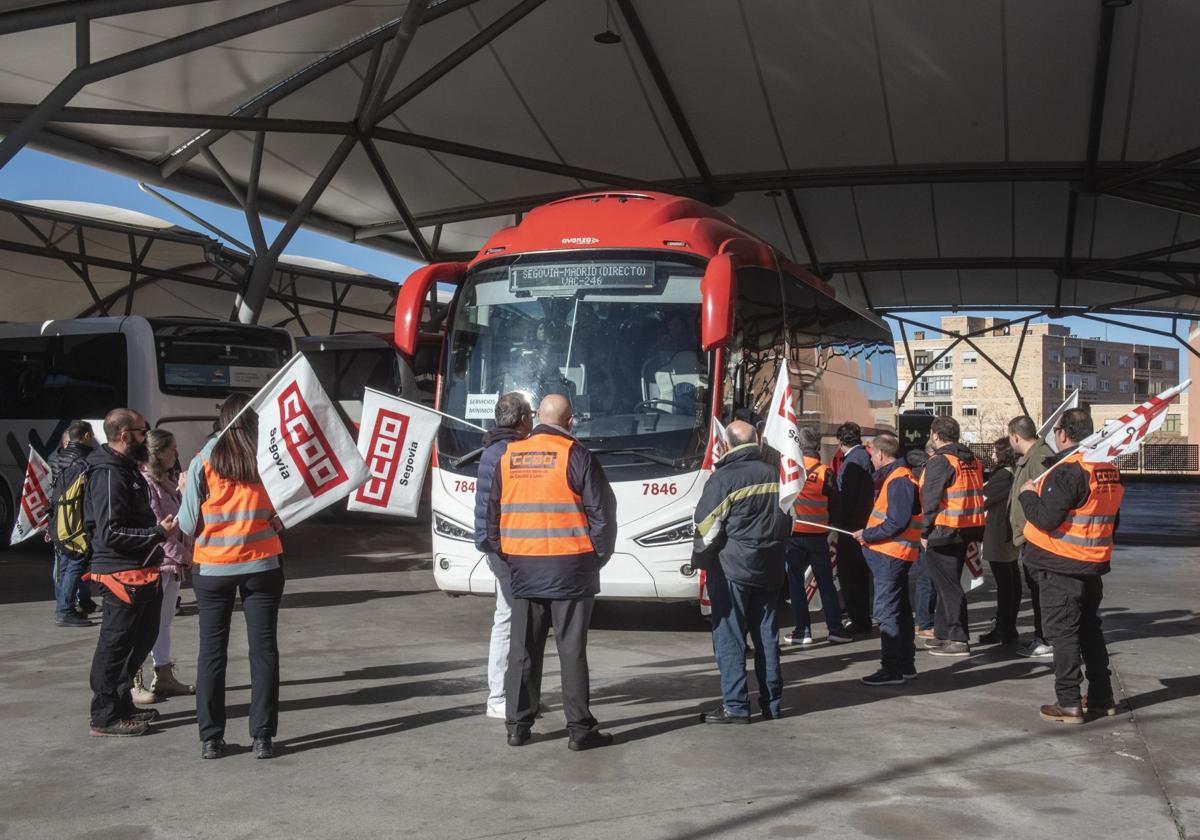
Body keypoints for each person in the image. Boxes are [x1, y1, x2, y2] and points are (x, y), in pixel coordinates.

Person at [483, 394, 616, 750]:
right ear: (570, 421)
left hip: (523, 568)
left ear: (536, 417)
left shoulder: (508, 456)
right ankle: (580, 730)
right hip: (571, 568)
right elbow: (602, 514)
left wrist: (509, 556)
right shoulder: (576, 455)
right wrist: (596, 558)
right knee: (571, 650)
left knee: (523, 649)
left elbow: (491, 518)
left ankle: (517, 726)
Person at [179, 393, 285, 760]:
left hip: (212, 569)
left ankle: (211, 738)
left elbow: (187, 523)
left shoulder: (202, 462)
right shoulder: (268, 459)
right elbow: (283, 511)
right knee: (264, 651)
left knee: (211, 652)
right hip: (262, 566)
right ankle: (263, 738)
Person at [1017, 408, 1123, 724]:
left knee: (1062, 634)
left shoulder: (1068, 470)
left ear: (1063, 434)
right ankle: (1102, 697)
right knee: (1089, 629)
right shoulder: (1105, 469)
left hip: (1059, 565)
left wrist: (1027, 496)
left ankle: (1069, 702)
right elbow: (1112, 520)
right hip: (1091, 565)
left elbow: (1046, 518)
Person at [84, 409, 177, 738]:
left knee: (141, 638)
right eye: (142, 431)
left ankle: (121, 704)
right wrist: (157, 533)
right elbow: (109, 532)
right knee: (116, 644)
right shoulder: (108, 473)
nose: (145, 436)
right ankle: (105, 715)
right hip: (120, 574)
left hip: (142, 570)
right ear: (125, 435)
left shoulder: (126, 469)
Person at [692, 420, 792, 724]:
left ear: (728, 443)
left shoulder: (725, 478)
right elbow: (791, 516)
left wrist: (700, 558)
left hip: (733, 567)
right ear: (757, 440)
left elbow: (706, 527)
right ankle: (772, 704)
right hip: (771, 565)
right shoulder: (778, 475)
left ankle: (736, 706)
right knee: (767, 636)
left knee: (731, 636)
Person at [473, 392, 533, 720]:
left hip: (495, 546)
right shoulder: (511, 451)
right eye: (531, 416)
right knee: (509, 619)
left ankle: (508, 693)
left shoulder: (490, 449)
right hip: (507, 548)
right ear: (523, 420)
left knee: (508, 616)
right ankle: (499, 695)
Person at [853, 432, 920, 686]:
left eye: (872, 455)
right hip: (893, 553)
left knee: (888, 611)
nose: (871, 460)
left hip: (891, 554)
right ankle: (905, 664)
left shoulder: (898, 480)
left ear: (881, 454)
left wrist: (868, 535)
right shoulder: (898, 477)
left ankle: (891, 668)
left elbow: (896, 522)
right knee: (899, 608)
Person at [919, 416, 985, 657]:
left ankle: (957, 638)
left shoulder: (941, 461)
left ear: (936, 435)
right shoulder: (971, 459)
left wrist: (924, 531)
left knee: (948, 586)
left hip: (944, 530)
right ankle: (943, 633)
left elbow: (931, 500)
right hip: (967, 528)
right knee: (947, 582)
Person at [138, 428, 195, 700]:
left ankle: (163, 673)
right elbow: (159, 530)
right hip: (157, 564)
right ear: (159, 453)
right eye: (172, 449)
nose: (176, 454)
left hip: (170, 565)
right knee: (146, 623)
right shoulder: (148, 485)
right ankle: (134, 677)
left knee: (163, 622)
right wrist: (185, 554)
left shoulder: (166, 483)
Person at [783, 426, 848, 646]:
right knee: (826, 583)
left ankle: (803, 631)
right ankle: (836, 629)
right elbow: (837, 508)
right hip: (819, 537)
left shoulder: (791, 471)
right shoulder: (825, 472)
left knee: (796, 585)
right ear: (817, 446)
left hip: (793, 537)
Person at [1008, 415, 1056, 659]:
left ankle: (1047, 638)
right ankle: (1042, 635)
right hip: (1029, 537)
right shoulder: (1031, 458)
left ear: (1015, 436)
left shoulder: (1039, 459)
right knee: (1036, 590)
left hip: (1036, 538)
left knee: (1041, 591)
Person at [48, 419, 97, 627]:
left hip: (56, 518)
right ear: (86, 435)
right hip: (74, 520)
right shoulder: (85, 460)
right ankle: (65, 609)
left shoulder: (56, 457)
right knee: (76, 561)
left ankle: (67, 605)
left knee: (62, 564)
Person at [832, 421, 874, 635]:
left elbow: (847, 497)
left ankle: (859, 620)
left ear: (840, 442)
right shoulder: (864, 457)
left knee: (850, 575)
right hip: (862, 523)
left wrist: (838, 521)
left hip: (852, 527)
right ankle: (862, 617)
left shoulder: (852, 463)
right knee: (860, 575)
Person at [980, 437, 1019, 646]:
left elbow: (983, 499)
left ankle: (1004, 627)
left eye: (995, 451)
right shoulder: (1013, 472)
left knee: (1005, 583)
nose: (992, 455)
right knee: (1010, 580)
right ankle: (1007, 626)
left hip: (999, 531)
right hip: (1007, 531)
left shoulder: (1003, 475)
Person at [909, 441, 938, 640]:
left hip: (923, 530)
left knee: (926, 578)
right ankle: (924, 622)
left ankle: (924, 620)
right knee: (927, 579)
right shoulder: (927, 472)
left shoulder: (919, 471)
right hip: (926, 532)